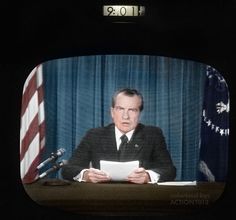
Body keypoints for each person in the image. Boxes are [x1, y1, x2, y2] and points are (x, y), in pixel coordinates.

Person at [61, 88, 176, 184]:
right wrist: (86, 175)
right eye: (120, 109)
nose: (125, 116)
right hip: (100, 198)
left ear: (139, 114)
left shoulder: (152, 134)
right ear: (112, 112)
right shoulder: (95, 135)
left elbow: (169, 171)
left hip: (139, 199)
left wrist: (148, 176)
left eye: (132, 110)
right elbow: (68, 169)